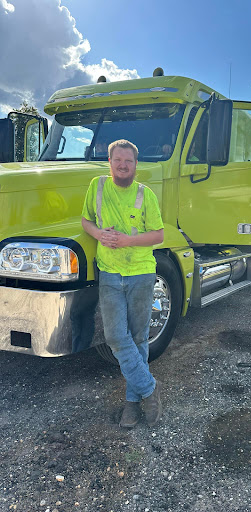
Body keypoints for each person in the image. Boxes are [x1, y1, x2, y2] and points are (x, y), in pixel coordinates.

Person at [81, 139, 164, 428]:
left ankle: (131, 404)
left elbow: (159, 235)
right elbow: (85, 221)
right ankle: (149, 390)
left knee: (139, 338)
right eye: (118, 160)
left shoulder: (146, 194)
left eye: (128, 161)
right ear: (110, 161)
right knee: (116, 336)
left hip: (141, 273)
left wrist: (129, 240)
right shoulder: (98, 186)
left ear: (136, 164)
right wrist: (98, 234)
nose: (123, 165)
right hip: (110, 274)